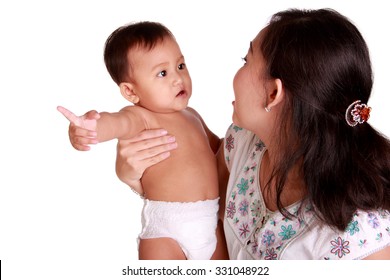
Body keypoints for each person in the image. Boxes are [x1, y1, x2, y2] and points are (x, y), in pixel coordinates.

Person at [115, 9, 390, 259]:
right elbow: (197, 201)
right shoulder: (242, 146)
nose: (237, 71)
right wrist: (135, 178)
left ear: (273, 93)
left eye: (246, 61)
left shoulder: (361, 241)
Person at [57, 21, 227, 260]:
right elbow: (117, 123)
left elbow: (220, 150)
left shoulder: (193, 116)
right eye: (162, 73)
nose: (178, 78)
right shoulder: (140, 117)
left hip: (211, 221)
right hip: (167, 231)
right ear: (131, 92)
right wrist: (92, 127)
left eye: (180, 65)